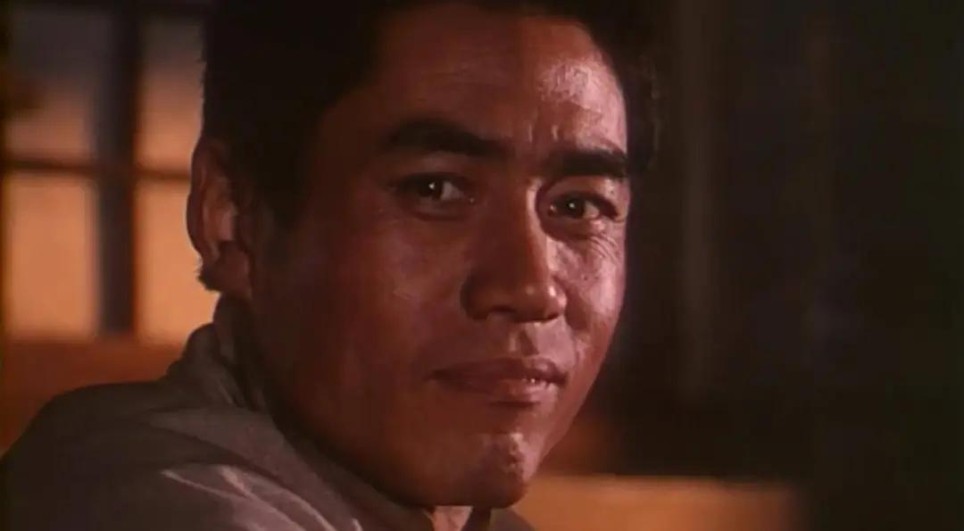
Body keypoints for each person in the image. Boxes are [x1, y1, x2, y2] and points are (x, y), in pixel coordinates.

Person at [1, 1, 656, 529]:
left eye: (578, 206)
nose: (531, 287)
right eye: (435, 190)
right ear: (232, 218)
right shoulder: (143, 499)